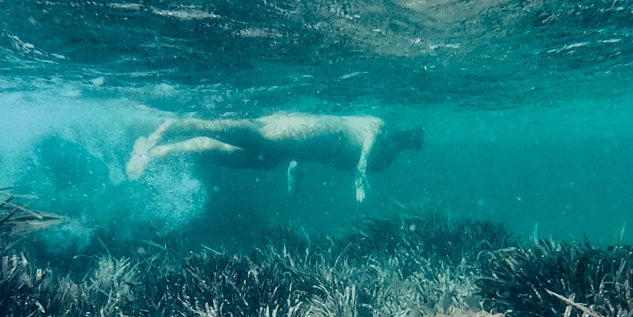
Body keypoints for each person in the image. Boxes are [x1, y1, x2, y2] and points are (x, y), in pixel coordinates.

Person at [123, 111, 422, 202]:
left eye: (410, 141)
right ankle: (165, 130)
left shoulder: (392, 153)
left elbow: (315, 152)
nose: (405, 140)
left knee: (229, 155)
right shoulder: (381, 125)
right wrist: (360, 172)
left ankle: (156, 152)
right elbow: (367, 137)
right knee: (255, 136)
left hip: (308, 145)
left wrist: (295, 169)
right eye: (407, 136)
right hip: (325, 132)